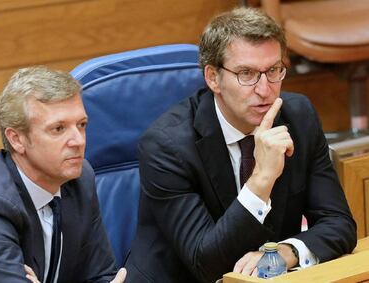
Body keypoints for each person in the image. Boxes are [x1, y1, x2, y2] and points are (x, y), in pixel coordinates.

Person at [125, 7, 357, 283]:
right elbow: (207, 264)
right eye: (246, 74)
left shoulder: (299, 117)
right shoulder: (167, 145)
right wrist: (262, 179)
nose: (265, 89)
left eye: (274, 70)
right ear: (213, 78)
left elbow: (340, 223)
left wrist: (286, 252)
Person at [0, 66, 126, 283]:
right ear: (17, 139)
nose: (79, 141)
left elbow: (100, 274)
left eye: (81, 125)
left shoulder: (80, 178)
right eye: (58, 129)